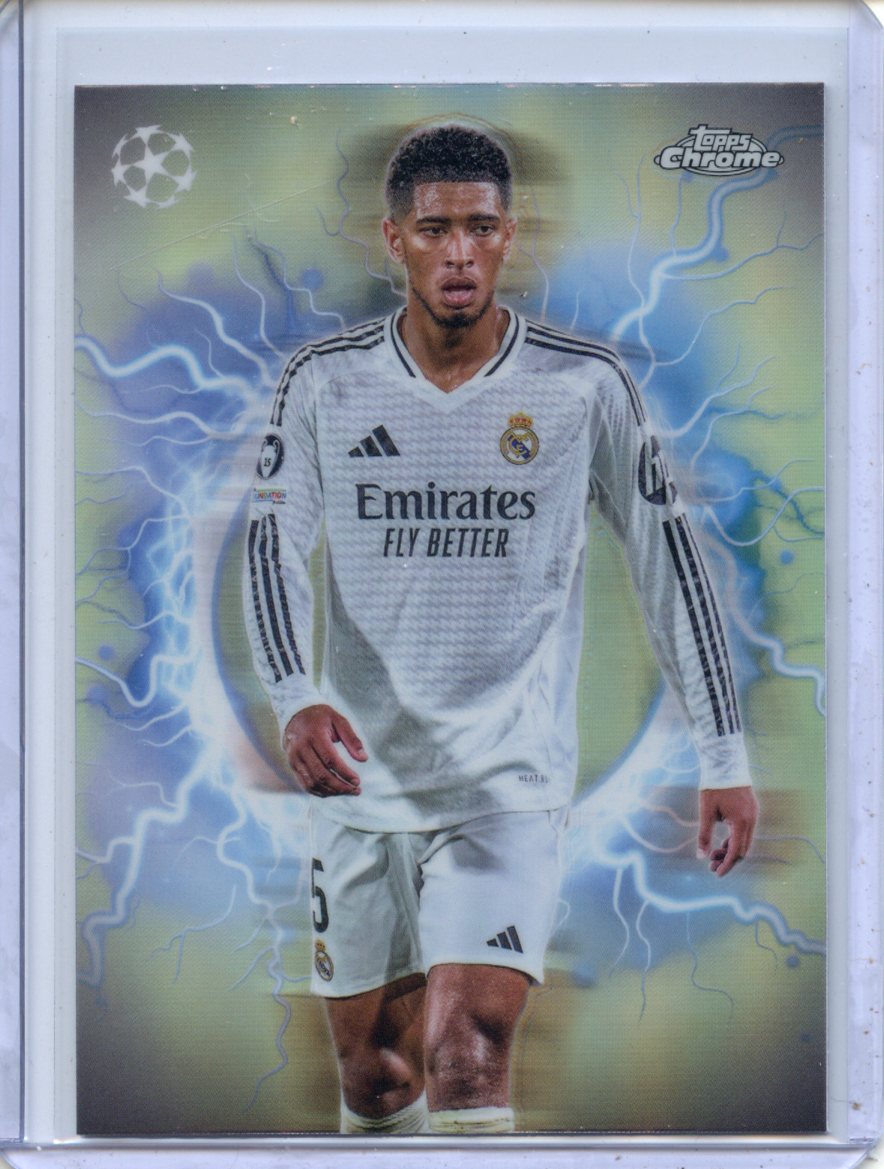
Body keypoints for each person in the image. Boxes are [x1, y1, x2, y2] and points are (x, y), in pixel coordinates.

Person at [244, 123, 759, 1136]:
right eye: (435, 229)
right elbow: (270, 546)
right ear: (393, 238)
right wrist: (295, 694)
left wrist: (723, 752)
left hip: (507, 785)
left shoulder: (583, 385)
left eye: (480, 228)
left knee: (466, 1054)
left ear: (508, 235)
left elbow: (672, 565)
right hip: (360, 784)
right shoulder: (325, 382)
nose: (459, 253)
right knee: (376, 1076)